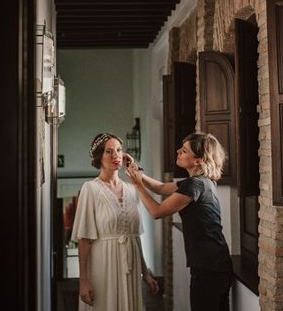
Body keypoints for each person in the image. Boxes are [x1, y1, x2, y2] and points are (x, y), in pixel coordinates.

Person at [126, 132, 233, 311]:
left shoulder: (195, 185)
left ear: (198, 160)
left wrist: (137, 186)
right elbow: (160, 188)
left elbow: (157, 212)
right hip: (217, 262)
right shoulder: (201, 181)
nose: (178, 151)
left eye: (184, 151)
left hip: (208, 266)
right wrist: (137, 171)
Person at [71, 133, 159, 310]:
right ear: (99, 157)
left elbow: (135, 237)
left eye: (119, 150)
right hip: (102, 267)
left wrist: (146, 273)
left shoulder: (131, 189)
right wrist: (83, 280)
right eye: (108, 151)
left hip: (131, 267)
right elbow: (84, 240)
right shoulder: (90, 189)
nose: (115, 155)